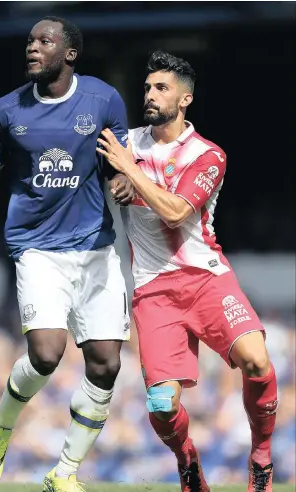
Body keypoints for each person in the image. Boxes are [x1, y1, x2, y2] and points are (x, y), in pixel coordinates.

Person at [0, 16, 134, 492]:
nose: (32, 47)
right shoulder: (6, 110)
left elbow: (122, 163)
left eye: (44, 41)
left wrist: (121, 179)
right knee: (47, 354)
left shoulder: (102, 99)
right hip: (37, 248)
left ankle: (65, 473)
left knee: (106, 364)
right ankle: (0, 425)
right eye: (29, 41)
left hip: (95, 247)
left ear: (69, 54)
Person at [96, 51, 277, 492]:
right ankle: (187, 461)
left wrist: (129, 174)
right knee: (160, 404)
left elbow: (176, 211)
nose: (151, 95)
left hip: (206, 278)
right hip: (153, 290)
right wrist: (3, 134)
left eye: (162, 88)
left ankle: (261, 458)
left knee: (257, 362)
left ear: (185, 99)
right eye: (147, 87)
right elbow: (64, 141)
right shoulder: (126, 143)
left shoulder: (208, 154)